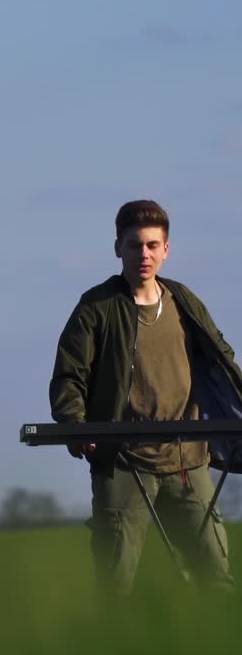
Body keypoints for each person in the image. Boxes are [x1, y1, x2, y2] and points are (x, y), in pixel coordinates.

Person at [50, 199, 242, 593]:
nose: (144, 254)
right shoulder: (96, 307)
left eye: (153, 245)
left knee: (217, 578)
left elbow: (222, 359)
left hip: (188, 460)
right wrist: (74, 424)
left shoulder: (183, 301)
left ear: (166, 250)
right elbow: (70, 376)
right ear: (118, 246)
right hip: (122, 461)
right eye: (135, 245)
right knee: (116, 584)